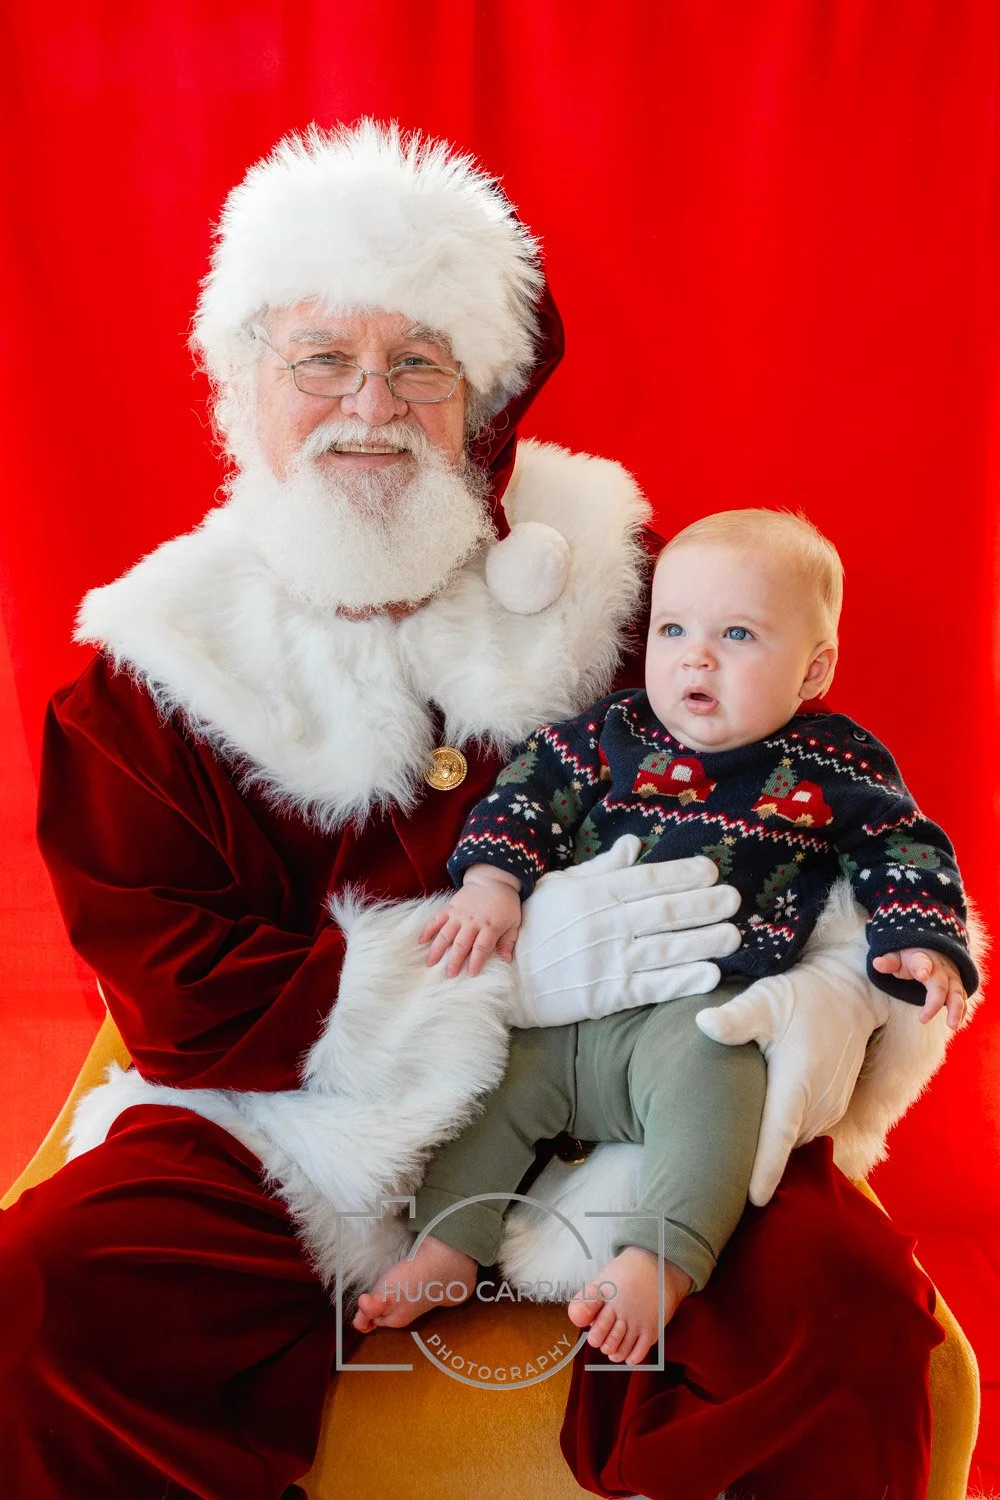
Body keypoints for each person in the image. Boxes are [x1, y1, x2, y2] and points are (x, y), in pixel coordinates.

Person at [0, 122, 976, 1499]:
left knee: (840, 1312)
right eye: (321, 358)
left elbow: (819, 818)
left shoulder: (639, 599)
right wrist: (492, 980)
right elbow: (183, 1001)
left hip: (645, 1103)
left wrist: (836, 991)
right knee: (40, 1301)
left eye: (419, 363)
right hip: (297, 1126)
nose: (369, 403)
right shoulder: (155, 682)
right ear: (245, 387)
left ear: (488, 403)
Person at [353, 508, 975, 1370]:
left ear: (814, 668)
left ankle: (662, 1257)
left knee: (723, 1089)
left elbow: (902, 844)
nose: (697, 655)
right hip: (561, 1012)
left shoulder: (834, 763)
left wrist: (919, 937)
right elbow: (525, 794)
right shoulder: (612, 733)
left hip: (697, 1011)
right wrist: (494, 882)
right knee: (487, 1085)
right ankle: (451, 1244)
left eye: (739, 634)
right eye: (674, 628)